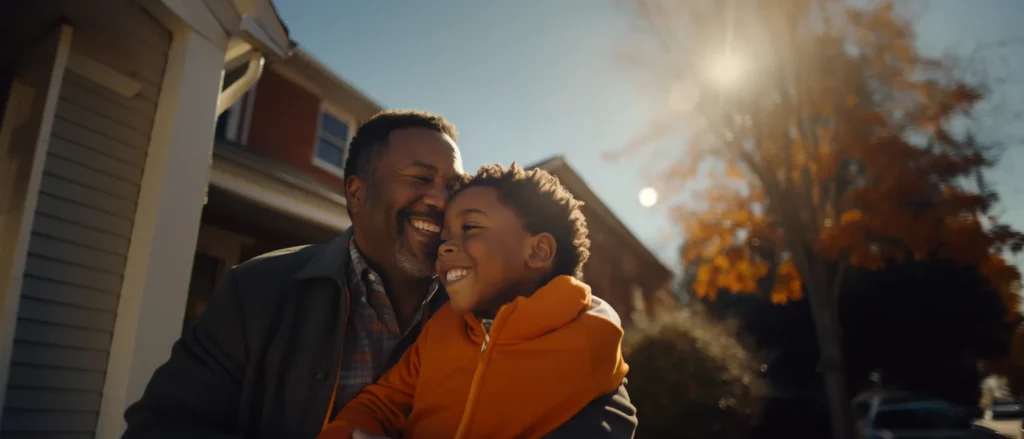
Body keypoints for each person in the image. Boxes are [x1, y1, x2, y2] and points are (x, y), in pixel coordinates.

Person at [123, 110, 637, 439]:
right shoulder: (257, 290)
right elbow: (161, 425)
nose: (440, 198)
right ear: (356, 193)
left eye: (452, 184)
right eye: (420, 178)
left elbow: (608, 407)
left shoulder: (487, 300)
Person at [319, 163, 629, 439]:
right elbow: (382, 403)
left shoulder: (588, 336)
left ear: (538, 251)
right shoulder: (440, 329)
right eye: (445, 239)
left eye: (470, 228)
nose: (445, 248)